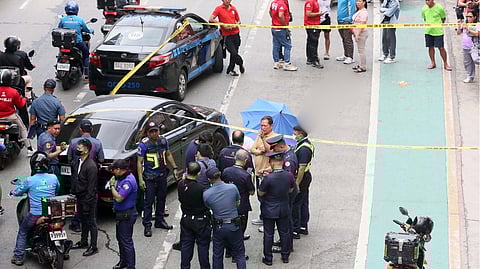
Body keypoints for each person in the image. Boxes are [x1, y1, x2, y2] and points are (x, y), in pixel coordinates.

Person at [10, 151, 60, 266]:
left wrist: (13, 192)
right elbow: (57, 190)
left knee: (23, 231)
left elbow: (18, 192)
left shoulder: (29, 180)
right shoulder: (53, 177)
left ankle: (18, 257)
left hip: (35, 214)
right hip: (52, 212)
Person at [137, 121, 178, 237]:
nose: (154, 133)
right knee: (148, 202)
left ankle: (160, 221)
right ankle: (147, 225)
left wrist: (174, 167)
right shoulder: (144, 145)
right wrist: (140, 179)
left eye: (156, 131)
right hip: (149, 177)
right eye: (151, 132)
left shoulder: (163, 141)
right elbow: (139, 162)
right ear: (148, 133)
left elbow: (168, 154)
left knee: (161, 199)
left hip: (161, 175)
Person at [203, 167, 247, 269]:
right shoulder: (232, 187)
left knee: (217, 255)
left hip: (218, 226)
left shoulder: (207, 194)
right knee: (240, 254)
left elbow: (209, 206)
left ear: (209, 179)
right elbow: (237, 203)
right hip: (234, 225)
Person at [258, 151, 295, 266]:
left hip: (269, 209)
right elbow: (291, 189)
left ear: (272, 162)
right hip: (283, 207)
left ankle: (268, 258)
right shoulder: (289, 175)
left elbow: (260, 192)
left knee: (268, 234)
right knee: (284, 232)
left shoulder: (268, 178)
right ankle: (285, 256)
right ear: (282, 162)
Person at [178, 162, 212, 269]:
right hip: (200, 220)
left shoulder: (180, 184)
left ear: (187, 171)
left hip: (186, 218)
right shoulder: (201, 189)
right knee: (202, 246)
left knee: (186, 245)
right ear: (198, 173)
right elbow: (208, 204)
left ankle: (184, 266)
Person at [70, 139, 99, 256]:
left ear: (86, 149)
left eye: (80, 148)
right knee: (83, 220)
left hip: (88, 199)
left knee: (91, 222)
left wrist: (87, 203)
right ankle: (83, 241)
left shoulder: (91, 166)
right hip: (79, 196)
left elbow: (92, 187)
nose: (77, 149)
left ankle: (93, 246)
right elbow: (75, 177)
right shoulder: (77, 161)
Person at [109, 159, 138, 269]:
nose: (113, 172)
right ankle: (123, 262)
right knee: (120, 238)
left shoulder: (128, 181)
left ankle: (131, 266)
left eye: (114, 170)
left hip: (127, 214)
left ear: (120, 170)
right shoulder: (122, 178)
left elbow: (120, 198)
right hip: (121, 214)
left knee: (126, 241)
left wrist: (112, 186)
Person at [222, 149, 255, 243]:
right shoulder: (246, 175)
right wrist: (252, 180)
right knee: (240, 229)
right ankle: (237, 251)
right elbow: (252, 192)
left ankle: (228, 250)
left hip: (228, 204)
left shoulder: (226, 171)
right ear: (245, 160)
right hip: (242, 205)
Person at [250, 116, 277, 226]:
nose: (263, 127)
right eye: (261, 125)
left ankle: (269, 221)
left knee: (268, 198)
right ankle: (262, 216)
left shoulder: (275, 138)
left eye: (265, 125)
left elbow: (270, 150)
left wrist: (262, 140)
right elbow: (252, 149)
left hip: (267, 173)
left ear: (271, 126)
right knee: (260, 196)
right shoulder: (259, 136)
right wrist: (258, 152)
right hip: (258, 171)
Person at [58, 1, 94, 79]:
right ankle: (86, 74)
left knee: (60, 53)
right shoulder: (80, 20)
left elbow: (59, 29)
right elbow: (86, 29)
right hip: (77, 43)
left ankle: (58, 69)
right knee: (86, 53)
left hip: (65, 43)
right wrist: (91, 31)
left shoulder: (63, 19)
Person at [209, 0, 245, 76]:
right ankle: (240, 63)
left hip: (236, 34)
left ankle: (231, 69)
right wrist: (222, 24)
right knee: (233, 52)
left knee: (235, 53)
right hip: (227, 36)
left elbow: (238, 21)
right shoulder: (219, 9)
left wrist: (235, 25)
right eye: (226, 0)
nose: (228, 1)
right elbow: (211, 19)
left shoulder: (233, 8)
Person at [291, 125, 315, 238]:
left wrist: (297, 183)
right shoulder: (303, 144)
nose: (293, 136)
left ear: (300, 134)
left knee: (297, 203)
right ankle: (302, 225)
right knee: (303, 202)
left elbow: (301, 167)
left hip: (302, 178)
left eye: (295, 134)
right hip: (304, 177)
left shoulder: (304, 149)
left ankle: (297, 228)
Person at [28, 79, 66, 149]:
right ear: (53, 89)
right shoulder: (57, 102)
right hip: (53, 130)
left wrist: (30, 133)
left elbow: (32, 120)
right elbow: (62, 119)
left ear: (44, 88)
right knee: (52, 149)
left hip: (40, 130)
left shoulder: (36, 102)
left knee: (41, 148)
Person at [0, 69, 28, 147]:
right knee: (23, 128)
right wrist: (25, 99)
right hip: (10, 116)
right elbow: (20, 105)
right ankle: (29, 149)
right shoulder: (13, 92)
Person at [422, 0, 452, 70]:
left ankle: (445, 64)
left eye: (428, 0)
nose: (427, 2)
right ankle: (433, 63)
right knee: (430, 47)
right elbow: (424, 18)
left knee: (441, 48)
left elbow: (443, 18)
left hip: (438, 32)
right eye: (426, 0)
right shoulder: (424, 9)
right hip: (428, 31)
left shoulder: (439, 8)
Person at [270, 0, 298, 71]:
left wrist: (274, 20)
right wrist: (285, 26)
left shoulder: (274, 2)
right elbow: (280, 15)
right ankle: (287, 63)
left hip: (274, 27)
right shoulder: (282, 4)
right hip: (281, 29)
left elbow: (270, 12)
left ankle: (277, 62)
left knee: (276, 45)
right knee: (287, 45)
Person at [456, 10, 480, 83]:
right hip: (465, 46)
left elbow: (477, 34)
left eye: (470, 17)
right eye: (467, 16)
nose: (468, 18)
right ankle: (470, 77)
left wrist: (468, 28)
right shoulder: (465, 24)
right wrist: (459, 26)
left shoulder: (477, 25)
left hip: (474, 46)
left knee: (475, 59)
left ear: (474, 17)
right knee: (467, 63)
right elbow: (458, 32)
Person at [335, 0, 356, 64]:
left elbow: (352, 7)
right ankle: (346, 54)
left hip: (346, 20)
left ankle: (350, 57)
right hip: (340, 20)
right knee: (343, 38)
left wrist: (350, 19)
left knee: (348, 39)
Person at [304, 0, 324, 68]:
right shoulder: (310, 2)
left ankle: (309, 58)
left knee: (310, 41)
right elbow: (308, 13)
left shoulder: (315, 1)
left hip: (313, 24)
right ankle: (314, 60)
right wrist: (318, 14)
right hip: (312, 25)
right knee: (314, 42)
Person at [352, 0, 369, 73]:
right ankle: (360, 64)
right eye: (357, 1)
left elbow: (362, 24)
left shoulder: (364, 12)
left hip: (361, 33)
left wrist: (357, 34)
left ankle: (363, 66)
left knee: (361, 50)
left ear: (364, 2)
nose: (357, 3)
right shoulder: (359, 11)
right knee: (359, 50)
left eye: (359, 1)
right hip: (356, 32)